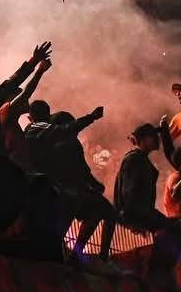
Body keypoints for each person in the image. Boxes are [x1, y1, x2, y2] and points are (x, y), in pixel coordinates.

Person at [25, 104, 116, 261]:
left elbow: (81, 168)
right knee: (89, 211)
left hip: (66, 189)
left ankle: (74, 254)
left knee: (96, 211)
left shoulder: (61, 140)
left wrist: (93, 183)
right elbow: (76, 166)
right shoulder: (42, 132)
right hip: (60, 189)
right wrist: (91, 117)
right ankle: (75, 254)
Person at [114, 123, 166, 233]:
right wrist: (134, 220)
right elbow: (129, 190)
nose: (156, 138)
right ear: (142, 140)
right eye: (152, 136)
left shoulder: (140, 158)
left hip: (142, 213)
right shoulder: (134, 159)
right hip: (136, 214)